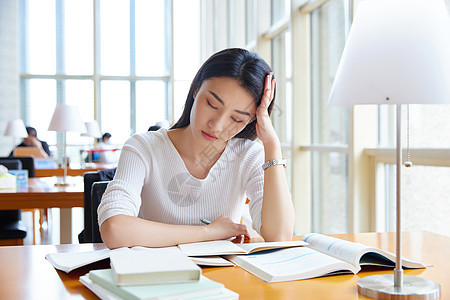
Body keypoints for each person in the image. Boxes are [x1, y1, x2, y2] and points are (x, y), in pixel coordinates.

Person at [98, 48, 295, 249]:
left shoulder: (248, 155)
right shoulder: (144, 147)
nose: (217, 125)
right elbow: (115, 229)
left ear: (251, 121)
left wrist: (272, 145)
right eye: (211, 104)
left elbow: (279, 236)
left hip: (223, 277)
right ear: (196, 90)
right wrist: (209, 232)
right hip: (155, 274)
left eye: (237, 119)